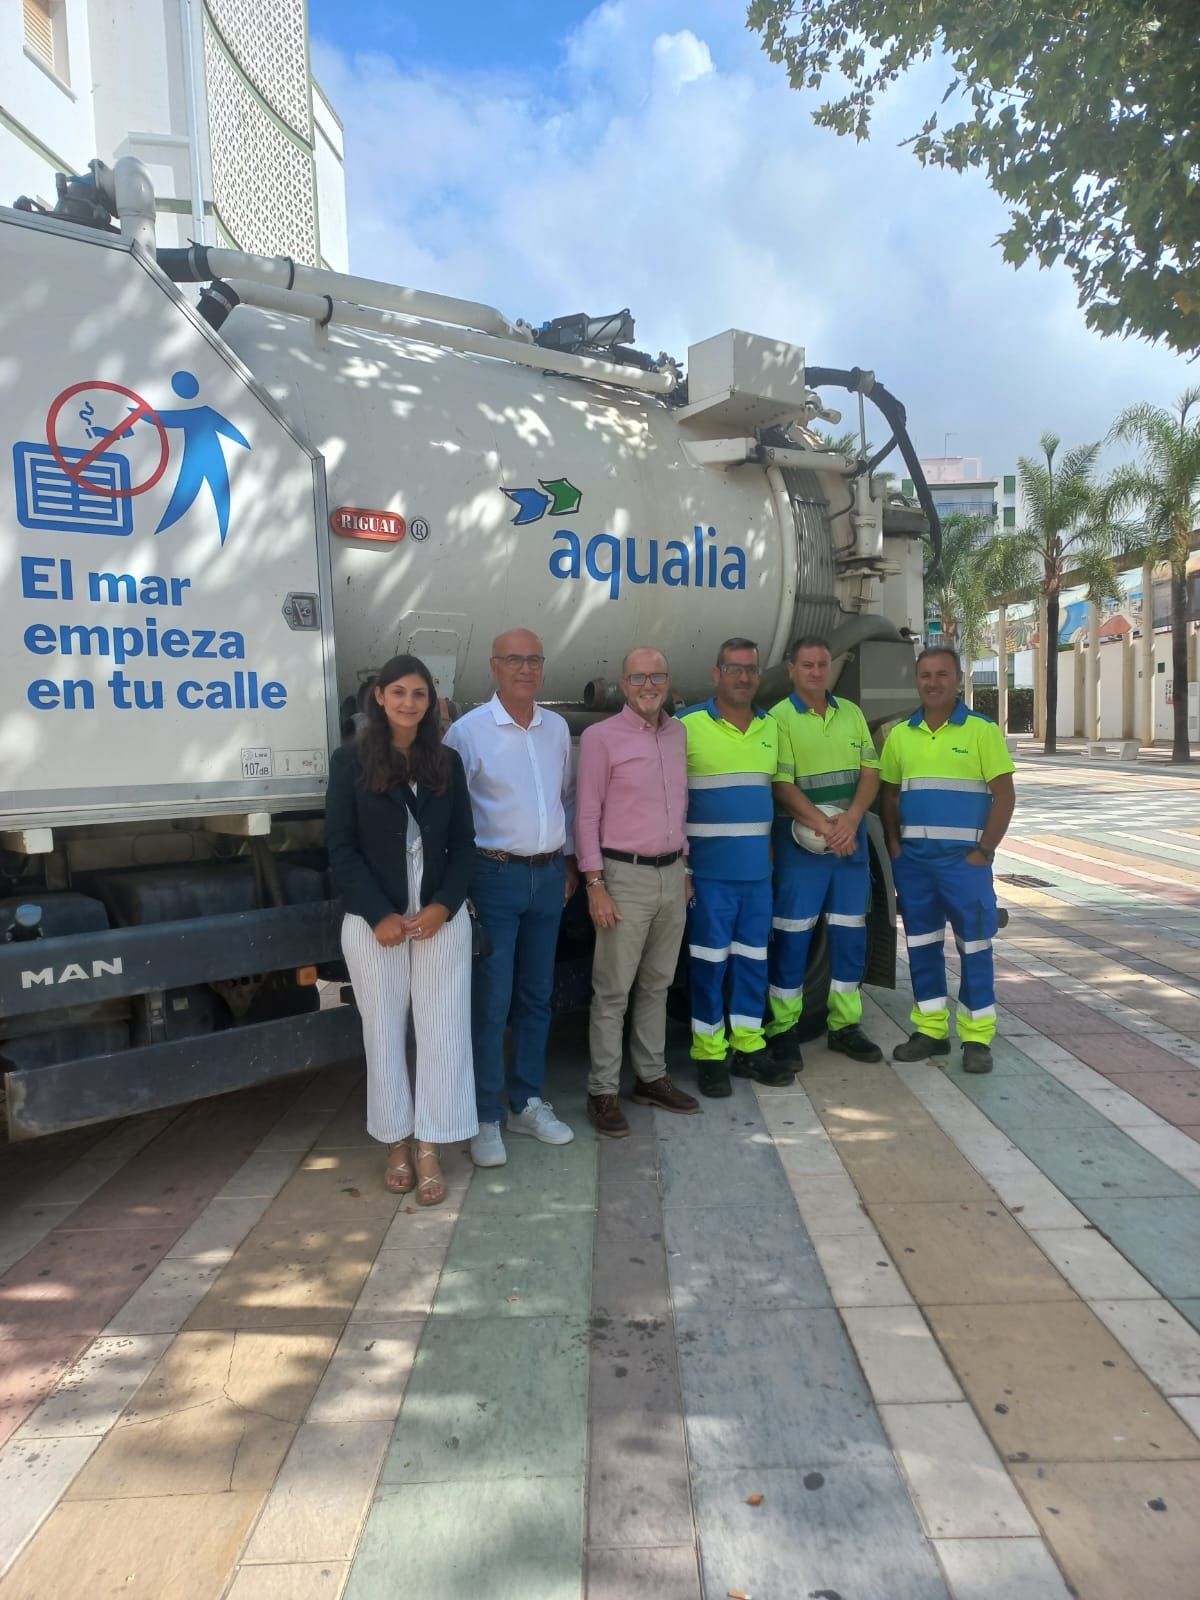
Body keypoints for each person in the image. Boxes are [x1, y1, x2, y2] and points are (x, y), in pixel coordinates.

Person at [325, 653, 478, 1206]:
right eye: (398, 692)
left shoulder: (447, 761)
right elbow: (341, 848)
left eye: (419, 694)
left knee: (443, 1033)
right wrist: (377, 914)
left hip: (439, 919)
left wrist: (443, 906)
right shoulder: (350, 761)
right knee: (384, 1033)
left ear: (431, 702)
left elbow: (464, 845)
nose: (408, 703)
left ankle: (431, 1144)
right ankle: (396, 1142)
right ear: (380, 697)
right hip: (377, 923)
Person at [444, 628, 577, 1165]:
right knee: (491, 1002)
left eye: (534, 659)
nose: (526, 668)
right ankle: (484, 1116)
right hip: (493, 877)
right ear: (494, 667)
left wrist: (569, 863)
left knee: (536, 997)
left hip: (548, 876)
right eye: (514, 659)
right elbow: (452, 816)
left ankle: (526, 1103)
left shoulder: (557, 728)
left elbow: (565, 797)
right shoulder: (468, 732)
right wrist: (461, 887)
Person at [575, 647, 700, 1136]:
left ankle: (650, 1077)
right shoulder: (601, 738)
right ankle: (602, 1091)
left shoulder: (678, 733)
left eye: (657, 676)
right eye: (638, 678)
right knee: (612, 992)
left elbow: (679, 804)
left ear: (668, 682)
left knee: (657, 985)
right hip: (622, 876)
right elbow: (586, 814)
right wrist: (595, 883)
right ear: (623, 685)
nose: (649, 685)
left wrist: (684, 865)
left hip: (672, 874)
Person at [879, 645, 1016, 1074]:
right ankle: (931, 1030)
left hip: (965, 865)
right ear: (917, 681)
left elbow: (1005, 795)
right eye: (926, 675)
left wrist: (983, 852)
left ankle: (976, 1037)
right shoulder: (901, 735)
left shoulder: (981, 731)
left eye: (942, 674)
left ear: (957, 679)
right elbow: (889, 796)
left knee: (974, 946)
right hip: (915, 865)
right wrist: (895, 848)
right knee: (922, 946)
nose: (933, 682)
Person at [764, 636, 884, 1071]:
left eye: (822, 664)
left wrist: (851, 820)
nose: (816, 672)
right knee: (793, 936)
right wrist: (827, 827)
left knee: (850, 935)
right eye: (807, 665)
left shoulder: (851, 713)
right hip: (802, 846)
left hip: (848, 843)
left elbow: (870, 772)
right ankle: (782, 1029)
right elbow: (782, 785)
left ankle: (845, 1025)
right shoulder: (778, 719)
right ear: (792, 670)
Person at [678, 638, 789, 1098]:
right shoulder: (687, 726)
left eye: (751, 669)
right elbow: (670, 801)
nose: (744, 677)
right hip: (709, 876)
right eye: (734, 668)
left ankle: (748, 1046)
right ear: (716, 673)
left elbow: (775, 794)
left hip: (757, 876)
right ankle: (709, 1055)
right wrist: (684, 869)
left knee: (752, 964)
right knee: (708, 967)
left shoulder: (771, 727)